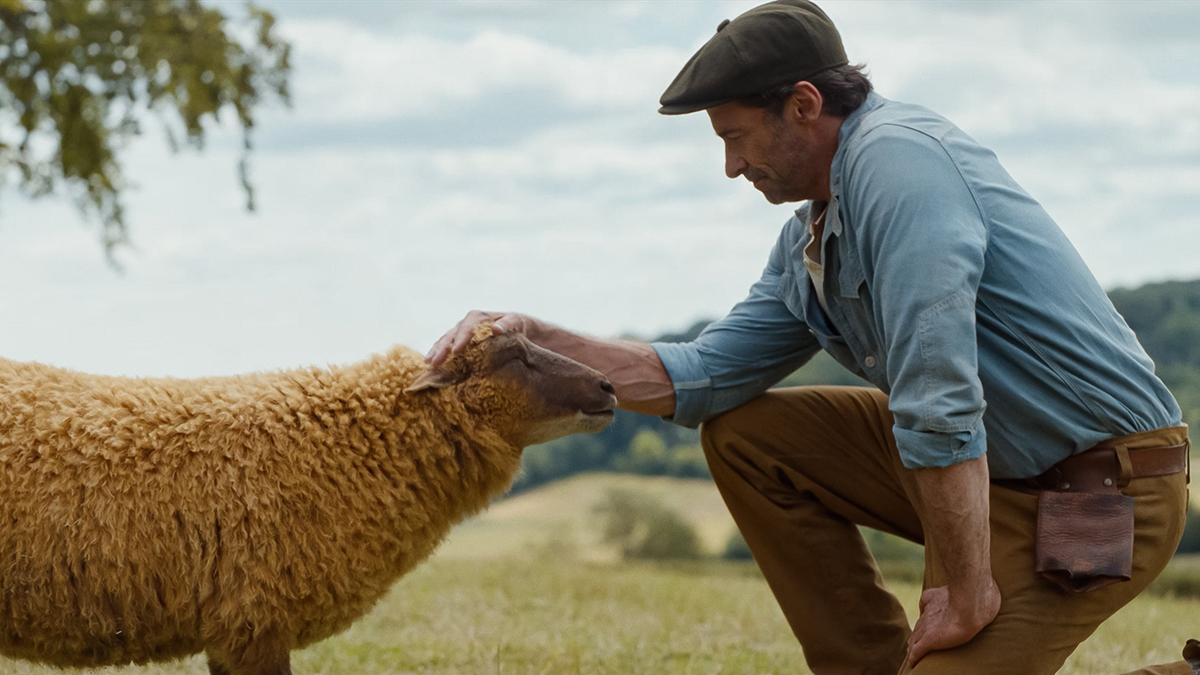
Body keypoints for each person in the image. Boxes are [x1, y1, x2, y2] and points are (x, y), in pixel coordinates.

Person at [426, 1, 1197, 673]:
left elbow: (938, 393)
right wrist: (528, 337)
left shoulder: (899, 164)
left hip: (1101, 491)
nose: (730, 167)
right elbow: (701, 375)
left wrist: (966, 592)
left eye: (736, 137)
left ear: (802, 104)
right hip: (992, 476)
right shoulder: (812, 237)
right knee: (747, 431)